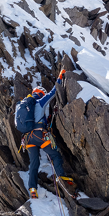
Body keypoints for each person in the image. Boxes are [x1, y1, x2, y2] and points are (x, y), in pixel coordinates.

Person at [18, 70, 76, 199]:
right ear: (41, 94)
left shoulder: (24, 106)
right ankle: (61, 177)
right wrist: (60, 78)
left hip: (28, 139)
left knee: (34, 163)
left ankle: (32, 188)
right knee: (55, 155)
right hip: (39, 135)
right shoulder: (40, 102)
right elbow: (53, 92)